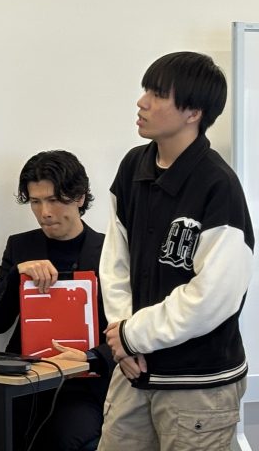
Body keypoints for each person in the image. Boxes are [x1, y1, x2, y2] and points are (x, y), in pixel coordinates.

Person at [98, 52, 254, 451]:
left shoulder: (218, 186)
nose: (142, 102)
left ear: (193, 113)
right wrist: (122, 337)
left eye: (157, 94)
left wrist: (133, 335)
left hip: (197, 385)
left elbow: (213, 296)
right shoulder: (133, 167)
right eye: (145, 91)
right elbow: (115, 263)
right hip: (133, 371)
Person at [0, 150, 114, 451]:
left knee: (64, 436)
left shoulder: (111, 252)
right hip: (25, 378)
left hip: (84, 382)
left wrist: (91, 357)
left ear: (79, 197)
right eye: (35, 201)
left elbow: (131, 328)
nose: (45, 212)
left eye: (54, 200)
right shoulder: (20, 246)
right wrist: (16, 275)